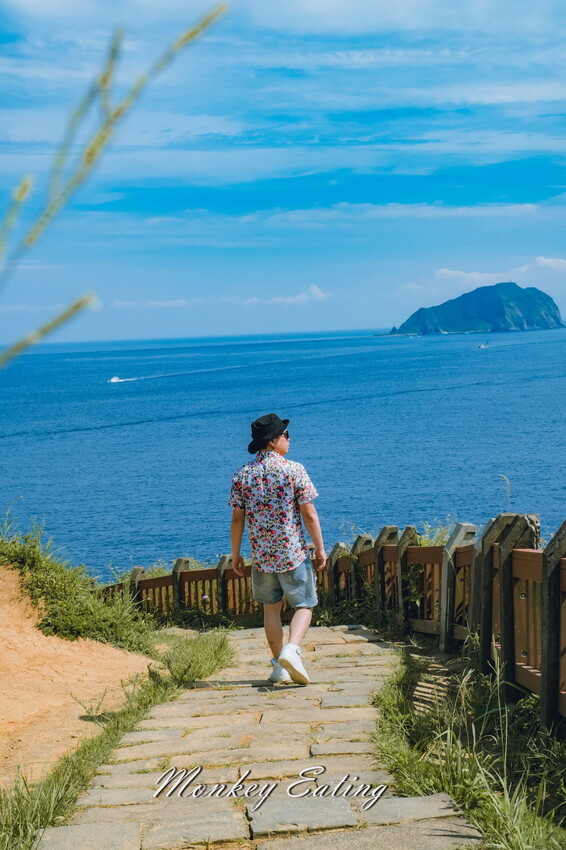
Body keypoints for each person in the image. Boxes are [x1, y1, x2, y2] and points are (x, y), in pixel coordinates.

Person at [229, 413, 326, 685]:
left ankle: (278, 667)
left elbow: (237, 520)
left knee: (270, 610)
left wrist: (236, 555)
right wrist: (320, 548)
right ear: (272, 441)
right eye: (285, 435)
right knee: (304, 605)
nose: (289, 439)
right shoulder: (293, 470)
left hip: (261, 556)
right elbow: (309, 513)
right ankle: (292, 650)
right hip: (292, 552)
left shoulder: (242, 475)